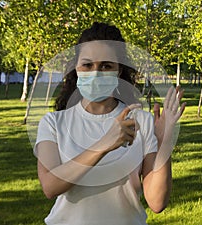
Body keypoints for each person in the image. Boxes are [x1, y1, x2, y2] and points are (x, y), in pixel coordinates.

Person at [34, 22, 186, 225]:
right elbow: (50, 186)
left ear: (118, 70)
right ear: (76, 68)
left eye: (106, 66)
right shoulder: (54, 123)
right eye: (87, 65)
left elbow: (157, 202)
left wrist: (164, 141)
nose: (96, 73)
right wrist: (105, 143)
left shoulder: (142, 121)